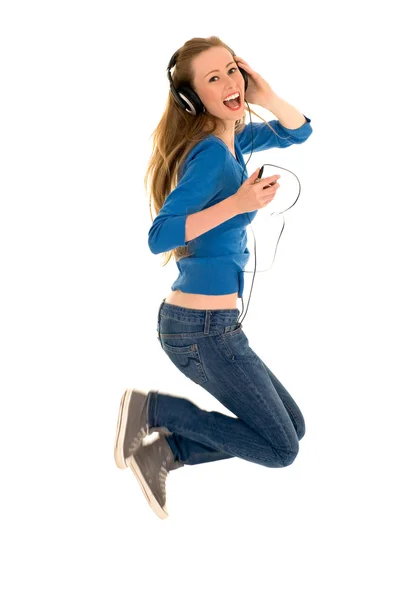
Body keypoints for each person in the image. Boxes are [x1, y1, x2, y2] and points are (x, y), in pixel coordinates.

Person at [114, 36, 313, 519]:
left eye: (232, 70)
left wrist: (264, 96)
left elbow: (299, 132)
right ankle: (156, 414)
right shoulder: (208, 154)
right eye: (213, 78)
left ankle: (170, 450)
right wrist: (239, 204)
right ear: (191, 98)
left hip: (217, 328)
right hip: (199, 331)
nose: (229, 83)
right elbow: (160, 236)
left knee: (292, 426)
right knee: (281, 449)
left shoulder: (231, 141)